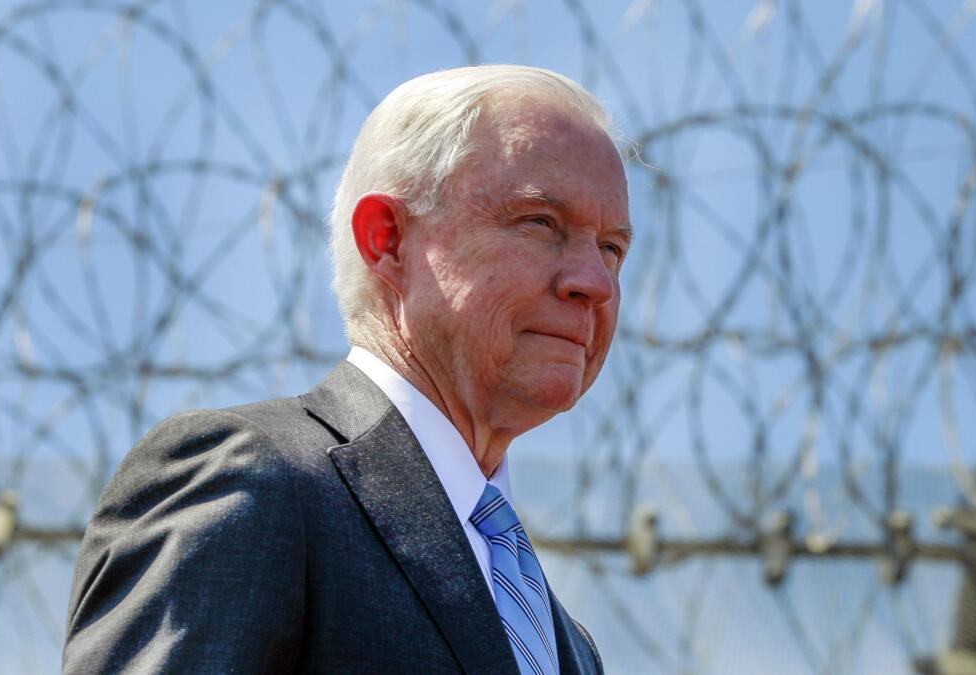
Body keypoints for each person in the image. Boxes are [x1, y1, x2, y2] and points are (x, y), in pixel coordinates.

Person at [62, 64, 630, 674]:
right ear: (386, 239)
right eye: (539, 223)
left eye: (612, 248)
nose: (594, 283)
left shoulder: (565, 642)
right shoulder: (255, 484)